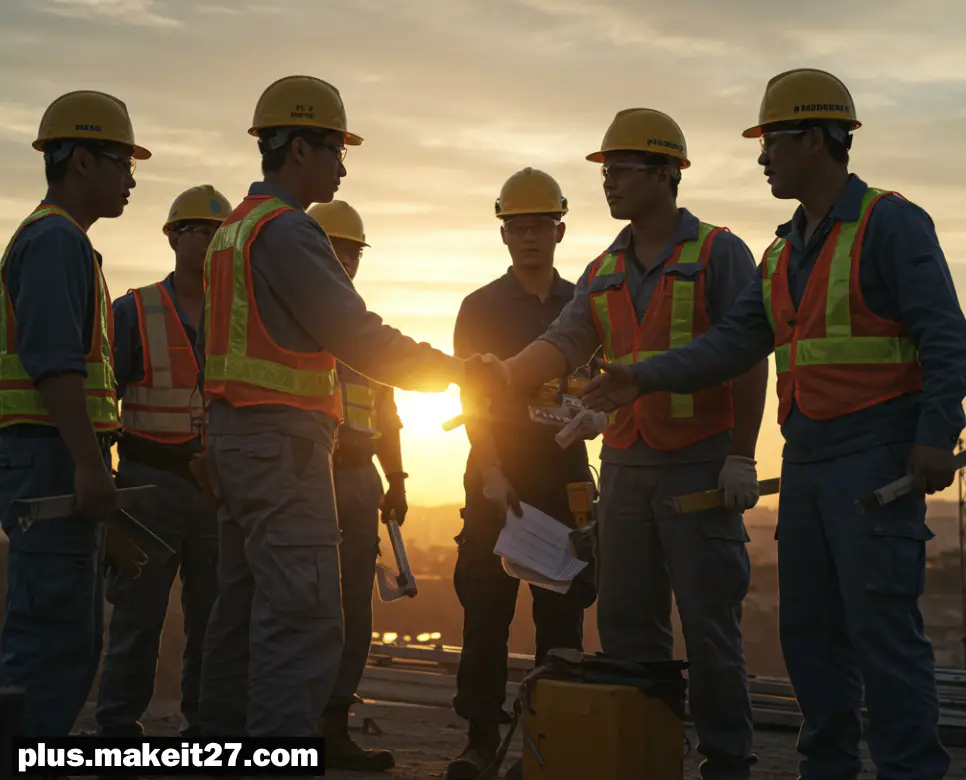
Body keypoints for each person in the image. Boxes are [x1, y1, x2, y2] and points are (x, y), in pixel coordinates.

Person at [579, 69, 965, 780]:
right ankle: (827, 769)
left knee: (881, 633)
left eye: (773, 143)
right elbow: (732, 343)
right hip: (810, 461)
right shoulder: (782, 251)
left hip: (876, 458)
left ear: (816, 140)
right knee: (811, 638)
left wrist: (939, 434)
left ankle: (911, 771)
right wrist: (641, 376)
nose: (762, 158)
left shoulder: (889, 222)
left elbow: (945, 335)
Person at [469, 111, 768, 780]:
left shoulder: (718, 253)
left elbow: (750, 353)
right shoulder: (604, 268)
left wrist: (742, 453)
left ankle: (727, 760)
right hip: (628, 466)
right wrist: (505, 372)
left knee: (709, 625)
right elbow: (565, 343)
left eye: (621, 171)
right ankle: (644, 755)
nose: (609, 183)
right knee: (629, 624)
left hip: (697, 463)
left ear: (667, 175)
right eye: (604, 172)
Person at [196, 74, 472, 743]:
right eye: (335, 149)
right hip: (283, 450)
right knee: (302, 620)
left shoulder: (233, 231)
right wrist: (458, 373)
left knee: (238, 614)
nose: (343, 164)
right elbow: (360, 338)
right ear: (297, 149)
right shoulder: (288, 233)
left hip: (237, 445)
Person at [0, 90, 147, 737]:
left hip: (54, 455)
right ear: (82, 161)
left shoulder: (67, 244)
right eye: (122, 161)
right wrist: (89, 466)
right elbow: (54, 364)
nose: (132, 179)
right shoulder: (55, 241)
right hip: (50, 456)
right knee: (50, 639)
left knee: (70, 636)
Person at [445, 168, 595, 780]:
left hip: (565, 474)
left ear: (560, 230)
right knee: (487, 610)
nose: (529, 237)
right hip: (497, 476)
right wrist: (490, 471)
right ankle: (481, 740)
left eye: (540, 226)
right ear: (504, 235)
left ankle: (548, 740)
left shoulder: (583, 305)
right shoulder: (479, 308)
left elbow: (603, 382)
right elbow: (472, 399)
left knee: (562, 615)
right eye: (518, 227)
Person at [95, 186, 231, 741]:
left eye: (217, 233)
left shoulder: (240, 318)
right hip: (149, 485)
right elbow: (103, 402)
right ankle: (117, 728)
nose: (207, 241)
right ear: (173, 237)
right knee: (138, 613)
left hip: (218, 489)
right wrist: (102, 480)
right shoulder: (134, 311)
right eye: (197, 230)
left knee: (215, 619)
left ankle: (206, 728)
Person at [306, 199, 405, 772]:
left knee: (350, 607)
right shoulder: (294, 323)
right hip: (305, 475)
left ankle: (333, 724)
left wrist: (397, 477)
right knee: (298, 603)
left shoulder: (366, 334)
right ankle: (292, 726)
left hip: (357, 478)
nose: (345, 261)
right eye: (333, 249)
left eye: (351, 251)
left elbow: (387, 414)